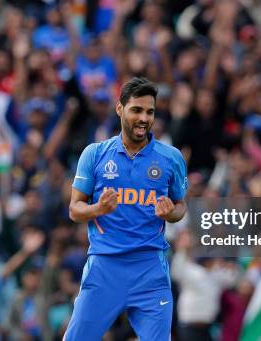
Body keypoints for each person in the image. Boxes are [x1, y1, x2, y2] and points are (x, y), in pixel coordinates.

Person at [64, 77, 188, 340]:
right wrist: (98, 208)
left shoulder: (171, 158)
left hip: (150, 269)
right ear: (120, 109)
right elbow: (75, 210)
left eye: (150, 111)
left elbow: (181, 206)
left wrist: (170, 213)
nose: (144, 118)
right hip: (105, 266)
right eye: (136, 110)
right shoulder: (95, 154)